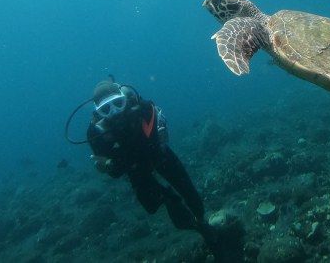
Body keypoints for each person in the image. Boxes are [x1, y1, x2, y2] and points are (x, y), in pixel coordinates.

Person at [87, 79, 243, 261]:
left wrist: (120, 160)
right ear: (98, 112)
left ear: (125, 99)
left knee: (189, 192)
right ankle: (172, 202)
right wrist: (106, 167)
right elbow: (116, 172)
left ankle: (202, 223)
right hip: (135, 169)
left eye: (117, 103)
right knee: (151, 206)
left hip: (158, 155)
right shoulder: (96, 133)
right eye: (106, 109)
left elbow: (156, 142)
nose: (114, 112)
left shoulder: (142, 109)